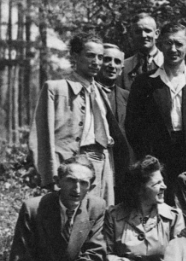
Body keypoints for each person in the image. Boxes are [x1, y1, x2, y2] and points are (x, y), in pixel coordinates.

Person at [30, 33, 128, 205]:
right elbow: (41, 137)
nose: (96, 62)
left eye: (100, 57)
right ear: (75, 56)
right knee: (72, 219)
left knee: (100, 217)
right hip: (72, 164)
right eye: (90, 55)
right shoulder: (56, 89)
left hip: (103, 163)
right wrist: (52, 177)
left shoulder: (100, 91)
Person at [126, 23, 186, 204]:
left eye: (178, 44)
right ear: (159, 45)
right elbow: (132, 126)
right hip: (157, 158)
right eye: (168, 43)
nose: (173, 49)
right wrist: (146, 156)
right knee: (159, 204)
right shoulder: (144, 83)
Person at [102, 156, 184, 261]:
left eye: (163, 181)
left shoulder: (173, 216)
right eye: (157, 183)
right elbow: (105, 254)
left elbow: (180, 254)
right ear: (139, 189)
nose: (164, 186)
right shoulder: (114, 216)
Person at [118, 12, 164, 90]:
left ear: (156, 34)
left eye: (147, 31)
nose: (143, 35)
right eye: (138, 32)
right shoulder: (124, 67)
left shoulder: (168, 62)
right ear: (132, 35)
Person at [99, 44, 129, 136]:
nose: (112, 65)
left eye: (117, 61)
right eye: (107, 59)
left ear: (121, 70)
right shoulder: (86, 92)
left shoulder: (127, 97)